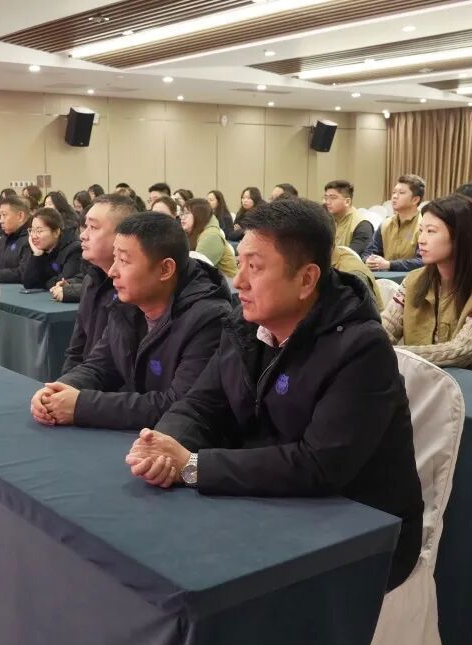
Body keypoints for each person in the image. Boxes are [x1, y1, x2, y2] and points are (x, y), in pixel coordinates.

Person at [123, 198, 423, 591]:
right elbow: (201, 404)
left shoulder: (361, 349)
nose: (239, 282)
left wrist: (193, 466)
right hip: (270, 499)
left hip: (357, 531)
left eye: (256, 267)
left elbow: (318, 465)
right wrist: (164, 446)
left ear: (307, 279)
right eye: (240, 264)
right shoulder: (245, 324)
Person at [30, 212, 233, 431]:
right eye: (115, 258)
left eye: (124, 261)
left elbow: (180, 405)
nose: (112, 271)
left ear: (165, 269)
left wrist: (81, 406)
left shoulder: (208, 319)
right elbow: (99, 366)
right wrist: (59, 390)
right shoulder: (127, 303)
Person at [382, 194, 472, 372]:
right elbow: (386, 329)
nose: (421, 240)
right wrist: (372, 345)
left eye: (431, 231)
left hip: (471, 384)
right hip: (421, 379)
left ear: (460, 237)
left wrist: (391, 353)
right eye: (421, 230)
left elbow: (462, 351)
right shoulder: (413, 280)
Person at [57, 194, 137, 371]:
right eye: (85, 226)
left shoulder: (135, 289)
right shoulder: (91, 280)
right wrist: (65, 382)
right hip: (87, 378)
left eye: (93, 227)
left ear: (121, 236)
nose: (83, 235)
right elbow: (76, 350)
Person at [364, 174, 425, 272]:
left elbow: (423, 261)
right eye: (394, 192)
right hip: (385, 277)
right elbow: (369, 252)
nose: (395, 196)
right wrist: (368, 260)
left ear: (415, 200)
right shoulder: (385, 224)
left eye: (401, 193)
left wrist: (389, 265)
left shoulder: (423, 225)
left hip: (413, 277)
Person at [22, 207, 83, 290]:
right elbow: (28, 283)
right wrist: (37, 255)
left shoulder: (74, 250)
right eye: (32, 230)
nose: (34, 236)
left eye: (39, 231)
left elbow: (63, 283)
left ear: (56, 232)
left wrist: (42, 281)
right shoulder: (39, 249)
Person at [181, 198, 237, 278]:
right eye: (182, 213)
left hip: (227, 283)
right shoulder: (195, 232)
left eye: (187, 213)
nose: (183, 217)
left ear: (199, 215)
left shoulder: (211, 236)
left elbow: (196, 270)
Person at [323, 179, 374, 256]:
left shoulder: (362, 225)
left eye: (333, 198)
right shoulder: (327, 219)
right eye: (326, 198)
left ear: (347, 202)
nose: (327, 202)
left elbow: (351, 256)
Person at [0, 195, 31, 283]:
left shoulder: (32, 239)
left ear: (20, 216)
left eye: (4, 215)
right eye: (0, 215)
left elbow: (21, 273)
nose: (0, 220)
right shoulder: (5, 237)